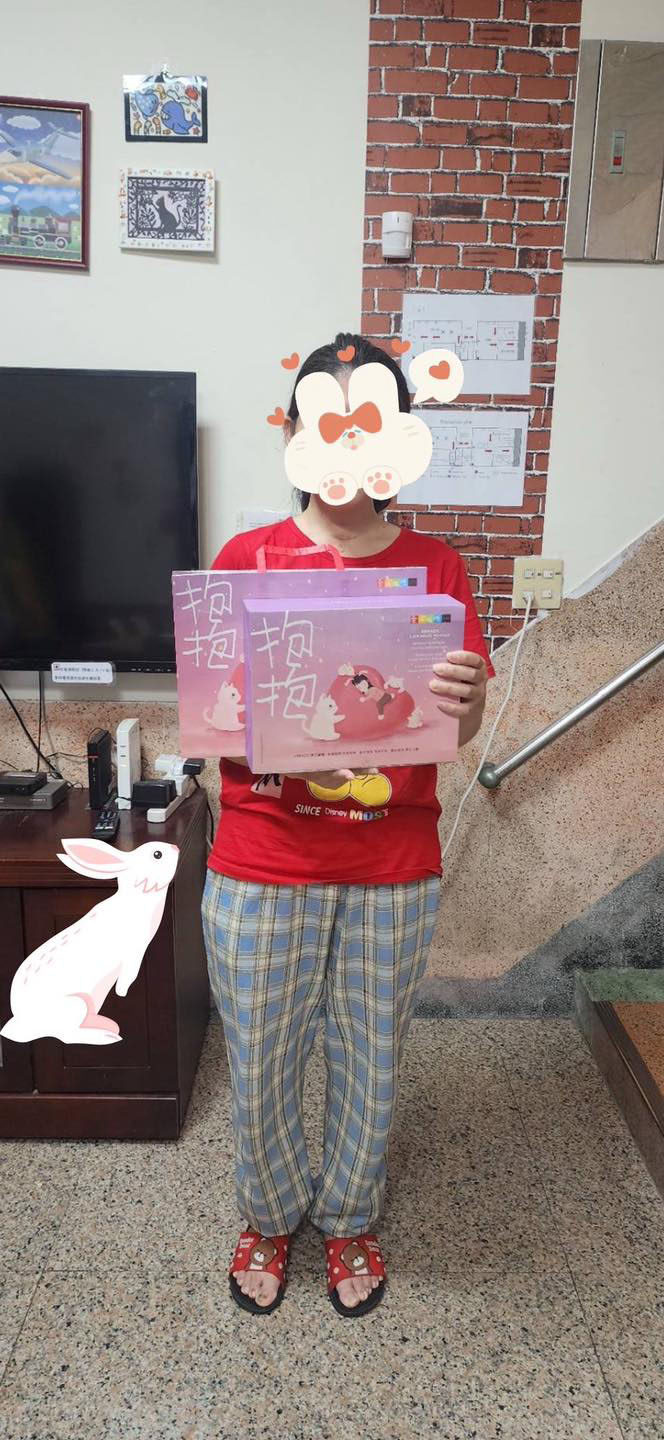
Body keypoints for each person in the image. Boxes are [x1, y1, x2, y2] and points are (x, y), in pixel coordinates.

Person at [201, 332, 495, 1319]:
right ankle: (268, 1216)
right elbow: (213, 720)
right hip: (261, 857)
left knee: (371, 1057)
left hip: (391, 862)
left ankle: (350, 1217)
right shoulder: (246, 559)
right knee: (262, 1058)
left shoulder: (435, 567)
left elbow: (456, 728)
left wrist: (464, 702)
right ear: (295, 432)